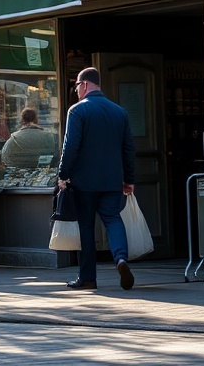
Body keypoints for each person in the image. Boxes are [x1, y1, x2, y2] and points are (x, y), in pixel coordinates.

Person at [57, 67, 137, 291]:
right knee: (113, 218)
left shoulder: (77, 111)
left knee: (86, 226)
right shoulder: (119, 112)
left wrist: (63, 174)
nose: (76, 91)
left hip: (84, 182)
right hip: (112, 180)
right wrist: (129, 179)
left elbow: (70, 146)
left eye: (76, 86)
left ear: (84, 84)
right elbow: (128, 149)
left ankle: (87, 278)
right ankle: (121, 259)